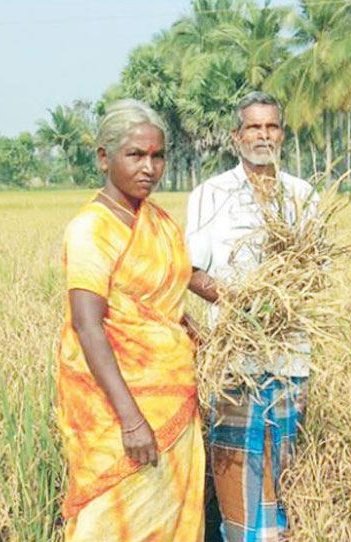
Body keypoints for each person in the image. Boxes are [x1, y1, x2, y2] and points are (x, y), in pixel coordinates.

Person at [56, 99, 204, 542]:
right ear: (105, 157)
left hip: (174, 396)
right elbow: (88, 325)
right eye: (135, 155)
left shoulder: (158, 222)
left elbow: (177, 282)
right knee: (110, 519)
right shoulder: (91, 229)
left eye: (158, 156)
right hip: (118, 408)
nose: (150, 168)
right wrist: (131, 419)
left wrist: (255, 296)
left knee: (169, 513)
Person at [186, 91, 315, 542]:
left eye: (271, 126)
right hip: (236, 360)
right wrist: (241, 302)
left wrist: (286, 299)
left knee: (284, 473)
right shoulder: (212, 194)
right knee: (237, 471)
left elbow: (316, 271)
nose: (263, 135)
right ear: (237, 136)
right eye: (254, 127)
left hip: (292, 357)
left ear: (281, 133)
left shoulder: (302, 196)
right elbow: (191, 270)